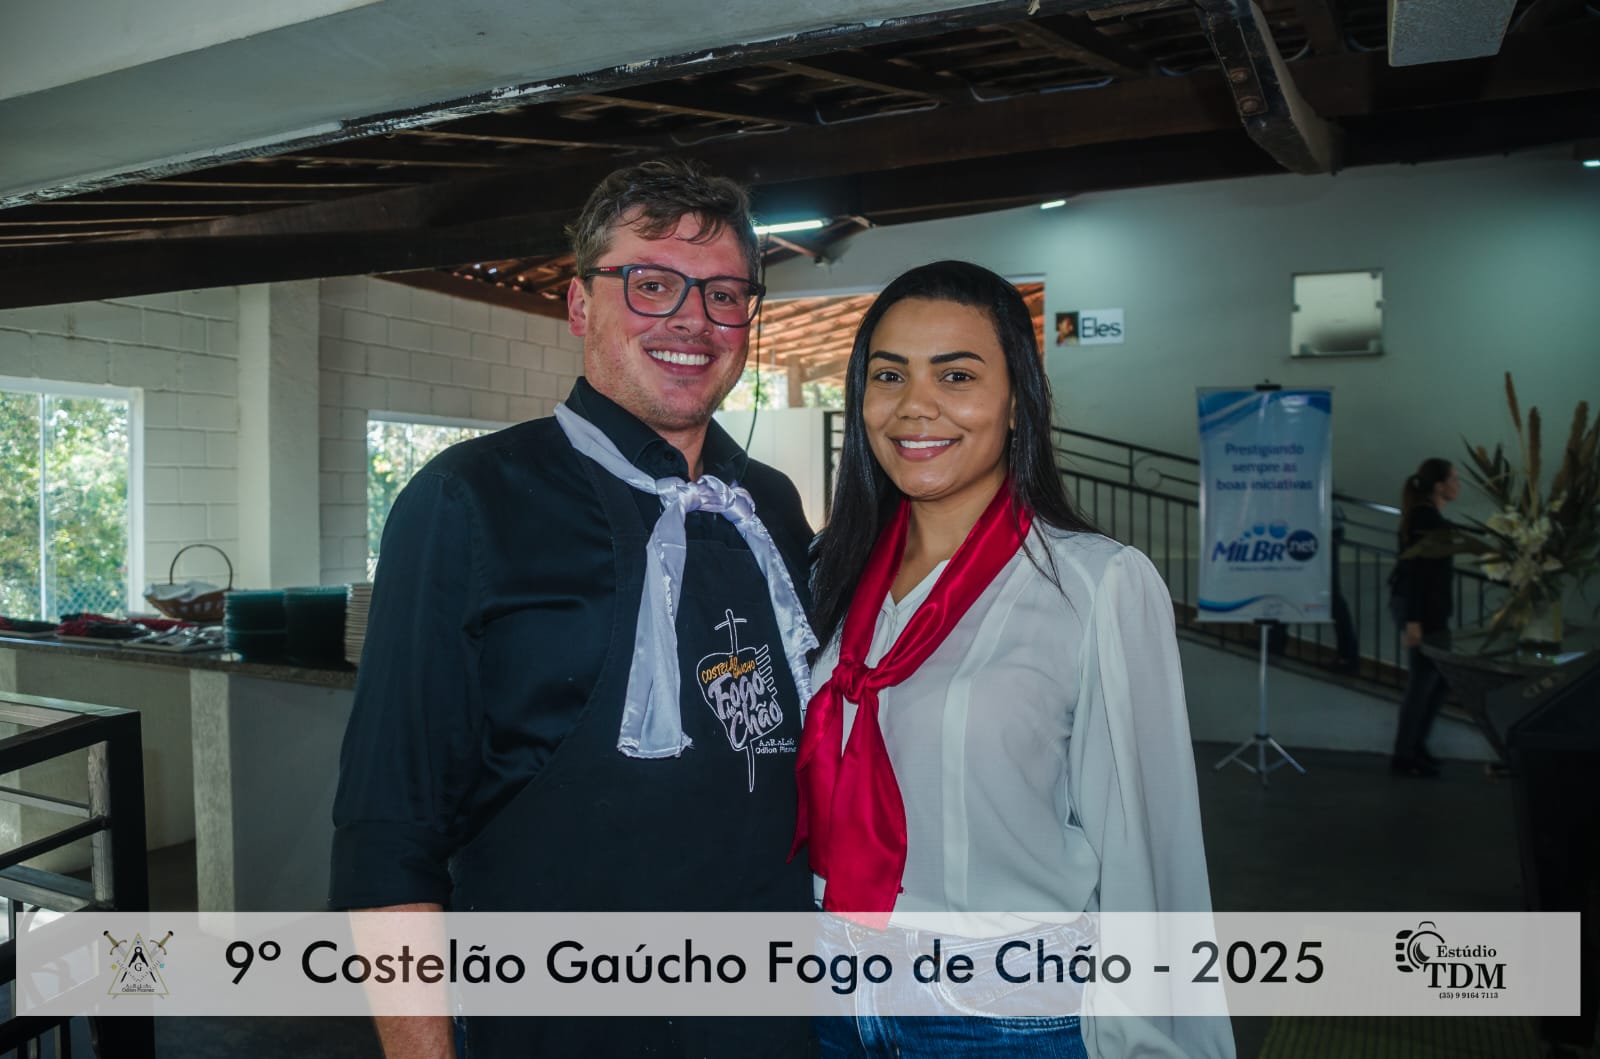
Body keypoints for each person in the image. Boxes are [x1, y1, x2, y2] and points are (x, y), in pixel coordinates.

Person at [330, 158, 819, 1058]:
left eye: (723, 295)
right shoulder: (469, 500)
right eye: (651, 283)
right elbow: (388, 830)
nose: (692, 319)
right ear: (580, 303)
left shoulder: (774, 508)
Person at [793, 261, 1234, 1058]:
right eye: (889, 375)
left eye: (956, 375)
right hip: (824, 1000)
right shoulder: (829, 572)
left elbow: (1147, 847)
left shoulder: (1095, 584)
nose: (915, 404)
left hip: (1001, 1017)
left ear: (1017, 402)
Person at [1389, 457, 1460, 777]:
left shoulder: (1426, 516)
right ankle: (1405, 754)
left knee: (1438, 680)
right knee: (1423, 682)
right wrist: (1414, 620)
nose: (1458, 485)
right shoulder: (1425, 519)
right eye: (1454, 479)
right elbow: (1415, 571)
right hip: (1422, 611)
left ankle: (1415, 746)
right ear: (1439, 486)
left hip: (1428, 609)